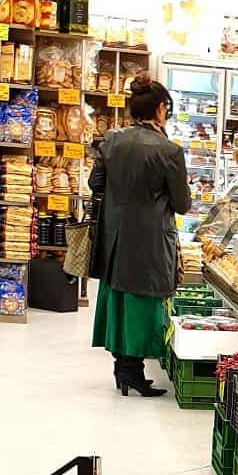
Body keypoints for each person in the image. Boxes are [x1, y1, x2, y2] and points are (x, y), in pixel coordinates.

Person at [89, 78, 191, 396]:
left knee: (119, 300)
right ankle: (132, 372)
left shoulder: (112, 140)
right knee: (143, 304)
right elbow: (183, 204)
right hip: (150, 240)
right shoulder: (170, 151)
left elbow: (96, 183)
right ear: (161, 109)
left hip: (116, 235)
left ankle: (125, 371)